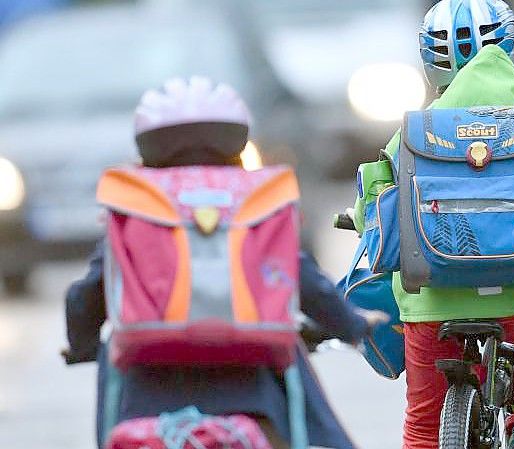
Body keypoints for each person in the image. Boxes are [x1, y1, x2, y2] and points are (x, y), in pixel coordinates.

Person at [64, 77, 387, 449]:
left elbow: (85, 295)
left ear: (147, 148)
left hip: (145, 396)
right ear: (237, 143)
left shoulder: (138, 205)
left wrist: (82, 343)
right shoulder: (255, 200)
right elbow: (302, 277)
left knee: (111, 353)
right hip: (255, 397)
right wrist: (351, 325)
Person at [351, 1, 514, 448]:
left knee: (421, 427)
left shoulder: (415, 131)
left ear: (432, 62)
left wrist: (358, 219)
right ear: (509, 47)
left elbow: (372, 199)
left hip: (431, 304)